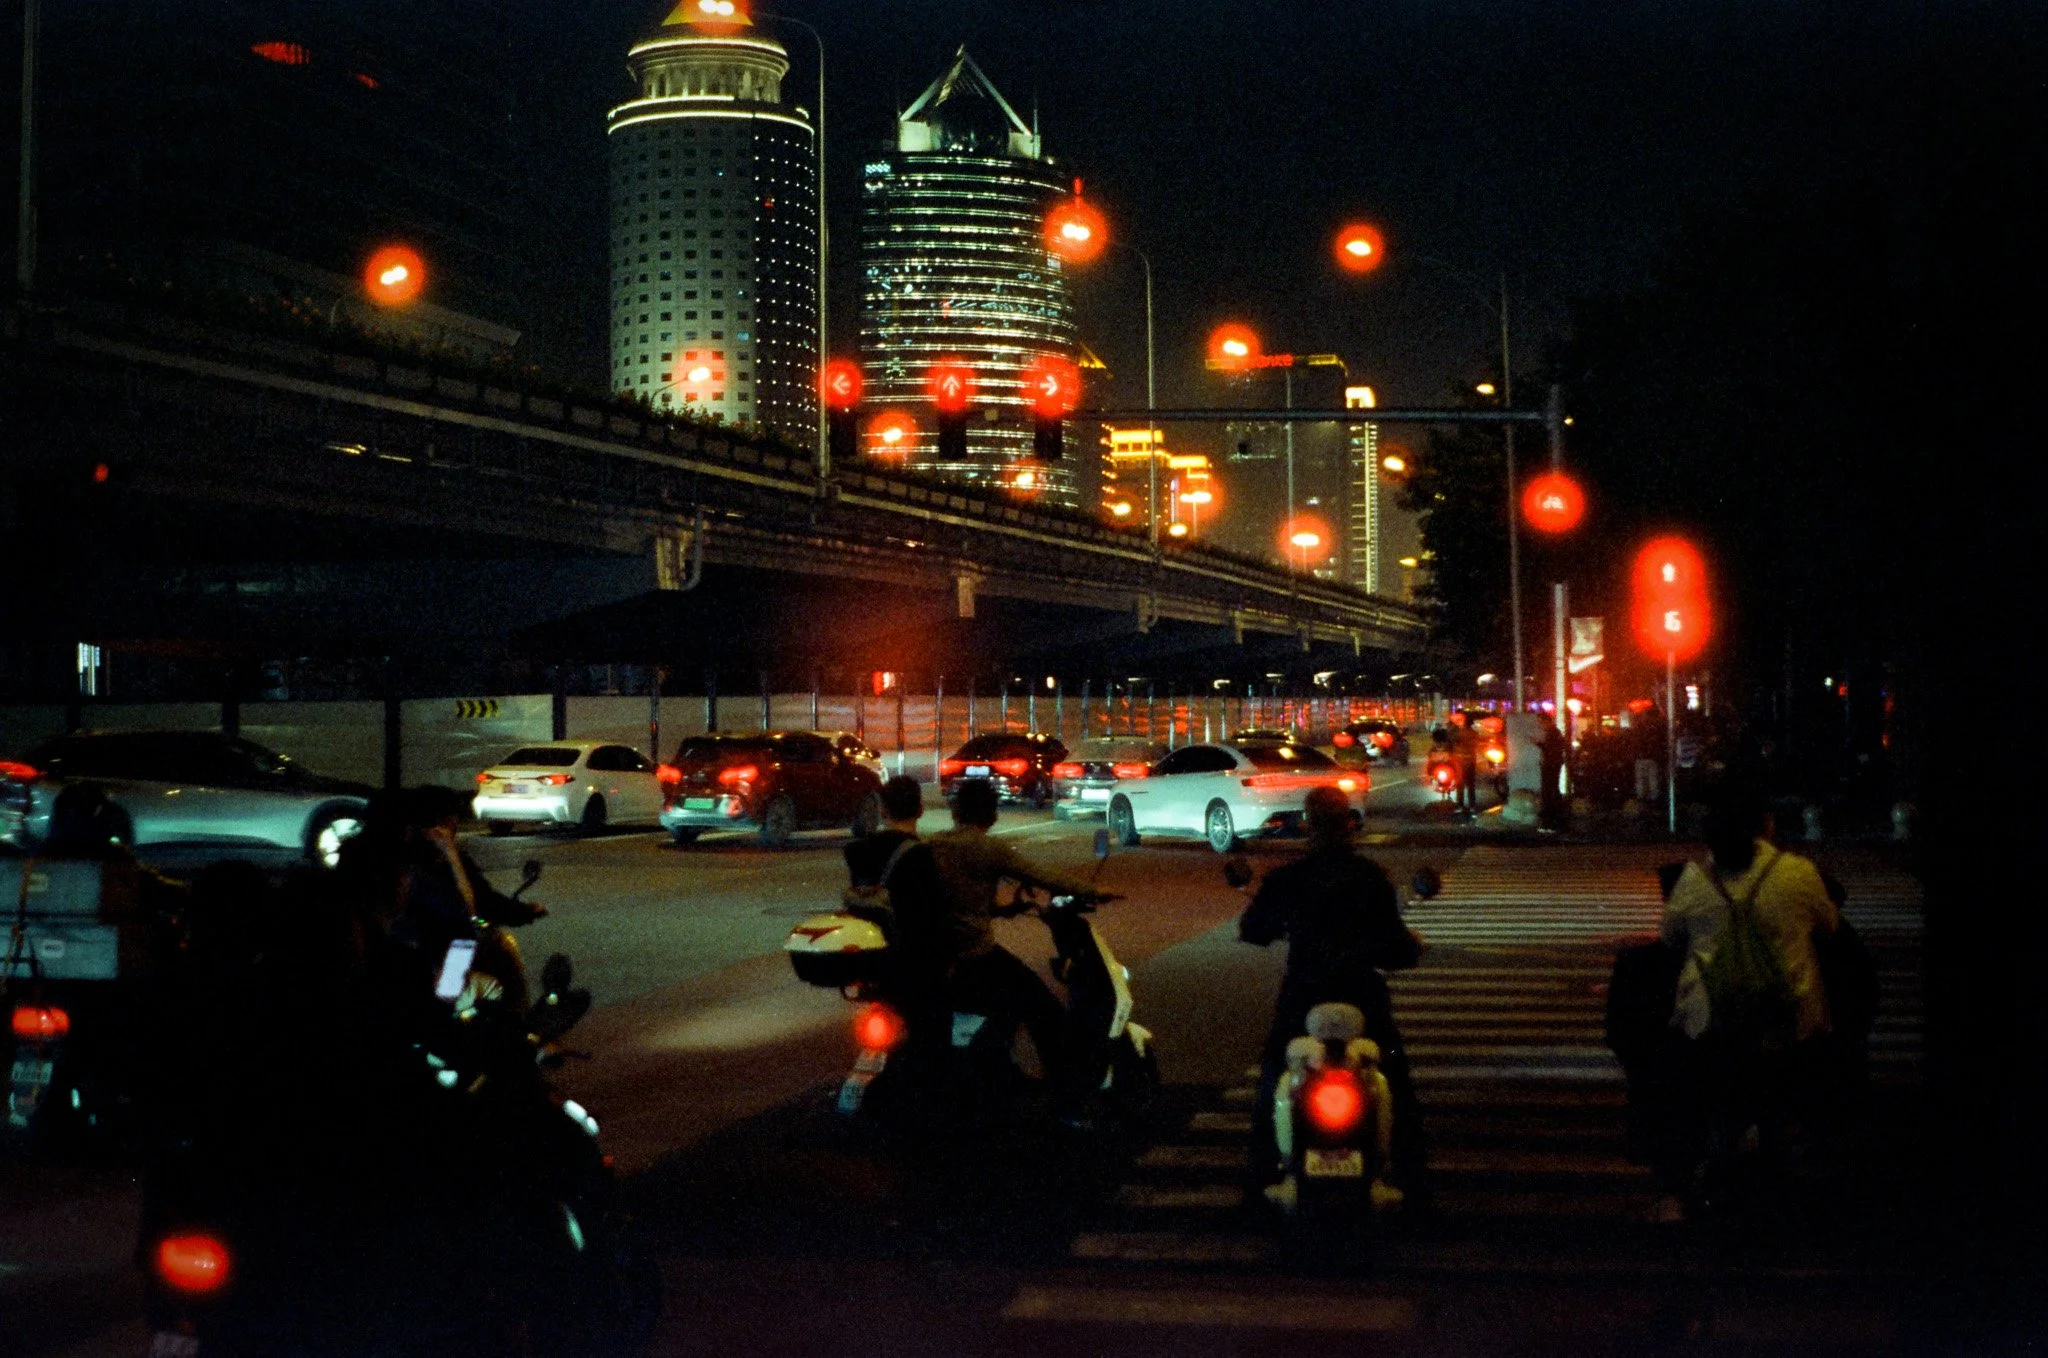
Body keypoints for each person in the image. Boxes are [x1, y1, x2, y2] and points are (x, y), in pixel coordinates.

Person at [1648, 783, 1841, 1223]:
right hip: (1788, 1017)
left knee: (1701, 1100)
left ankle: (1690, 1187)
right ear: (1766, 827)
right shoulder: (1797, 873)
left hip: (1711, 1019)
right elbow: (1830, 926)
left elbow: (1669, 938)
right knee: (1783, 1102)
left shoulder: (1695, 880)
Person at [1239, 786, 1426, 1198]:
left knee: (1273, 1080)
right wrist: (1408, 949)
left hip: (1304, 994)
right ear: (1348, 824)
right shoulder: (1369, 877)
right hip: (1361, 993)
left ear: (1308, 825)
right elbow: (1395, 945)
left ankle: (1258, 1182)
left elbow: (1253, 929)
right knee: (1395, 1079)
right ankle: (1414, 1183)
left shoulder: (1288, 879)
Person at [924, 778, 1093, 1098]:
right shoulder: (986, 846)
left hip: (941, 954)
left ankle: (999, 1072)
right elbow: (1040, 874)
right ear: (991, 814)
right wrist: (1094, 891)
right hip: (975, 954)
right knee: (1041, 1005)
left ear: (956, 811)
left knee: (1009, 1002)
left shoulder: (935, 845)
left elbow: (958, 901)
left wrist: (1004, 910)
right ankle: (1067, 1095)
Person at [392, 785, 544, 1009]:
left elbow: (485, 900)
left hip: (439, 958)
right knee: (497, 980)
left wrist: (523, 911)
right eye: (451, 818)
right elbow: (467, 909)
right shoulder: (422, 868)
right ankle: (516, 1032)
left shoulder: (413, 861)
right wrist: (451, 854)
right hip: (438, 968)